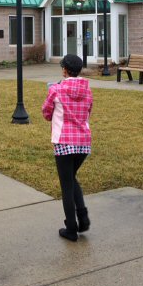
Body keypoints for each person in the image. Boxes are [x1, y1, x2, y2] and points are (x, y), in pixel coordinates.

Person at [41, 54, 93, 241]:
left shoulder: (56, 90)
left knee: (66, 186)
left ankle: (71, 228)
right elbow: (89, 111)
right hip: (84, 142)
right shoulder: (87, 90)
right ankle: (83, 217)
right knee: (71, 178)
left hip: (63, 142)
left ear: (64, 69)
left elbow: (46, 113)